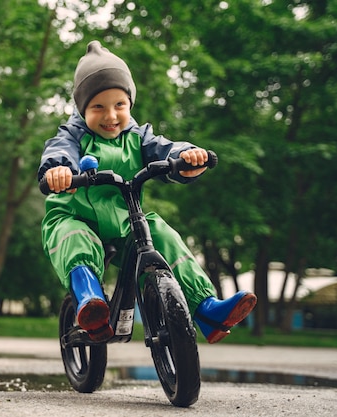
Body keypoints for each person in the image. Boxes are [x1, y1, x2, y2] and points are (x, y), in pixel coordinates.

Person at [37, 40, 256, 343]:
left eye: (120, 105)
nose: (110, 115)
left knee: (163, 235)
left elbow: (166, 150)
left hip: (125, 218)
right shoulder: (72, 135)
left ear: (130, 105)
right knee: (75, 241)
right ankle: (90, 302)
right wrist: (59, 170)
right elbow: (59, 152)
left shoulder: (139, 137)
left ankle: (207, 309)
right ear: (82, 108)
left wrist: (187, 158)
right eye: (98, 106)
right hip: (75, 215)